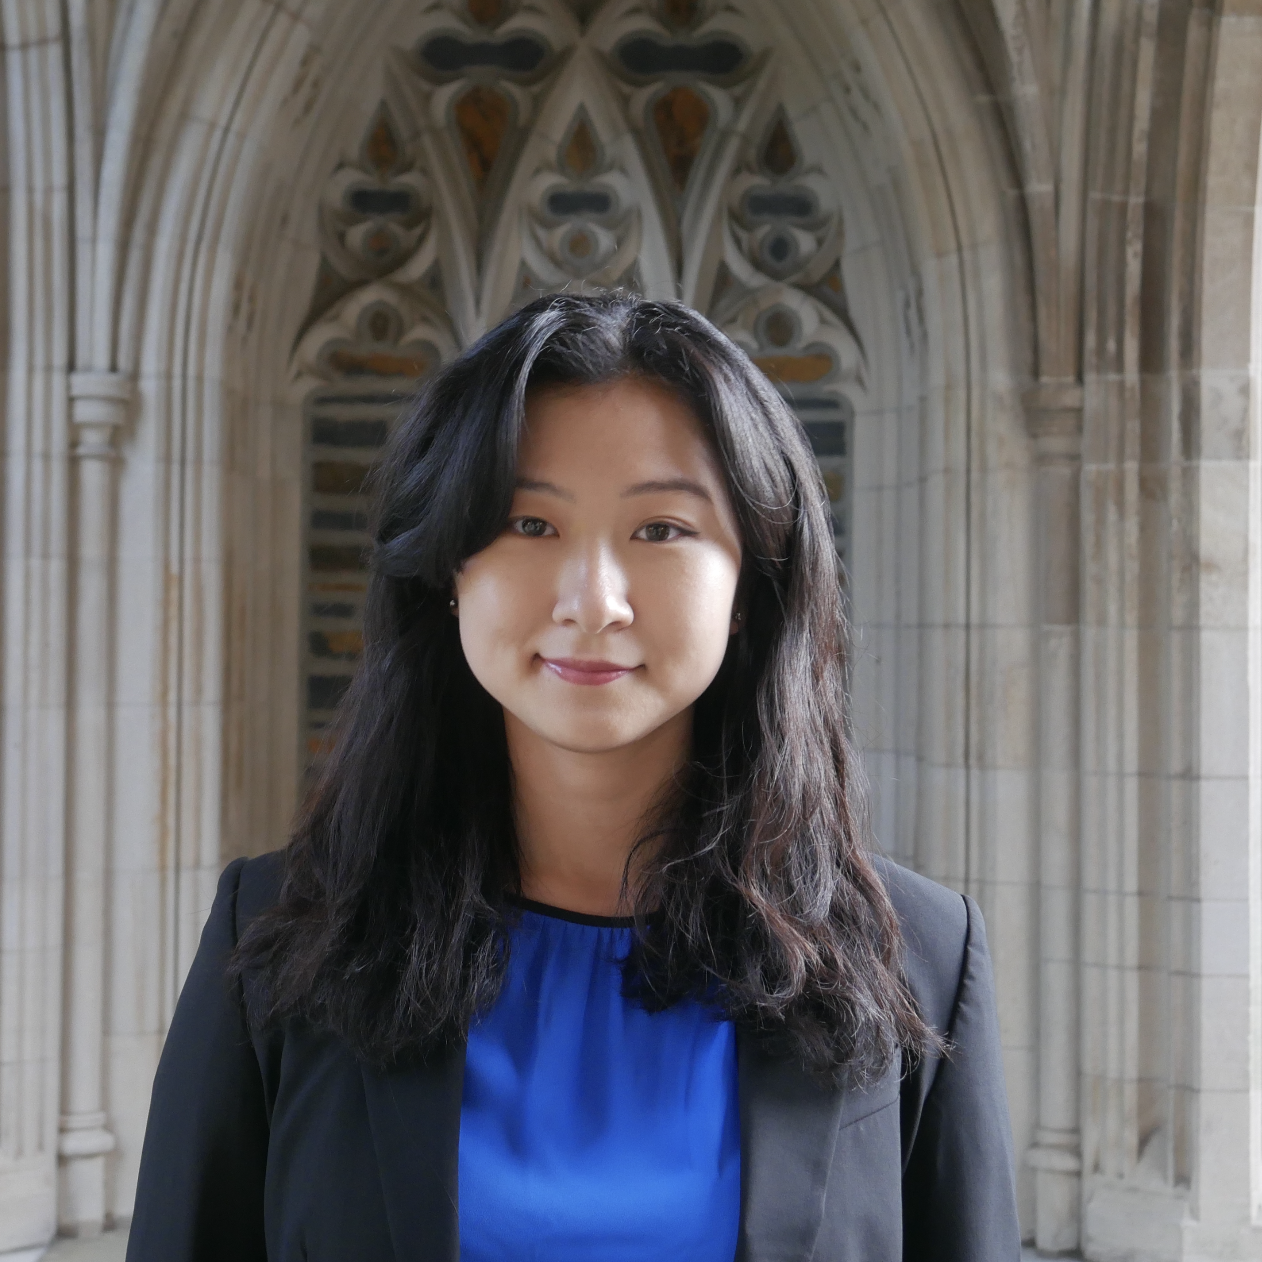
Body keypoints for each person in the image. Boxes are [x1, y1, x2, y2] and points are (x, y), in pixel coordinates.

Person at [126, 291, 1020, 1261]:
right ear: (449, 569)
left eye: (661, 530)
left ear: (749, 585)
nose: (592, 602)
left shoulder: (918, 961)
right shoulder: (271, 944)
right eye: (528, 522)